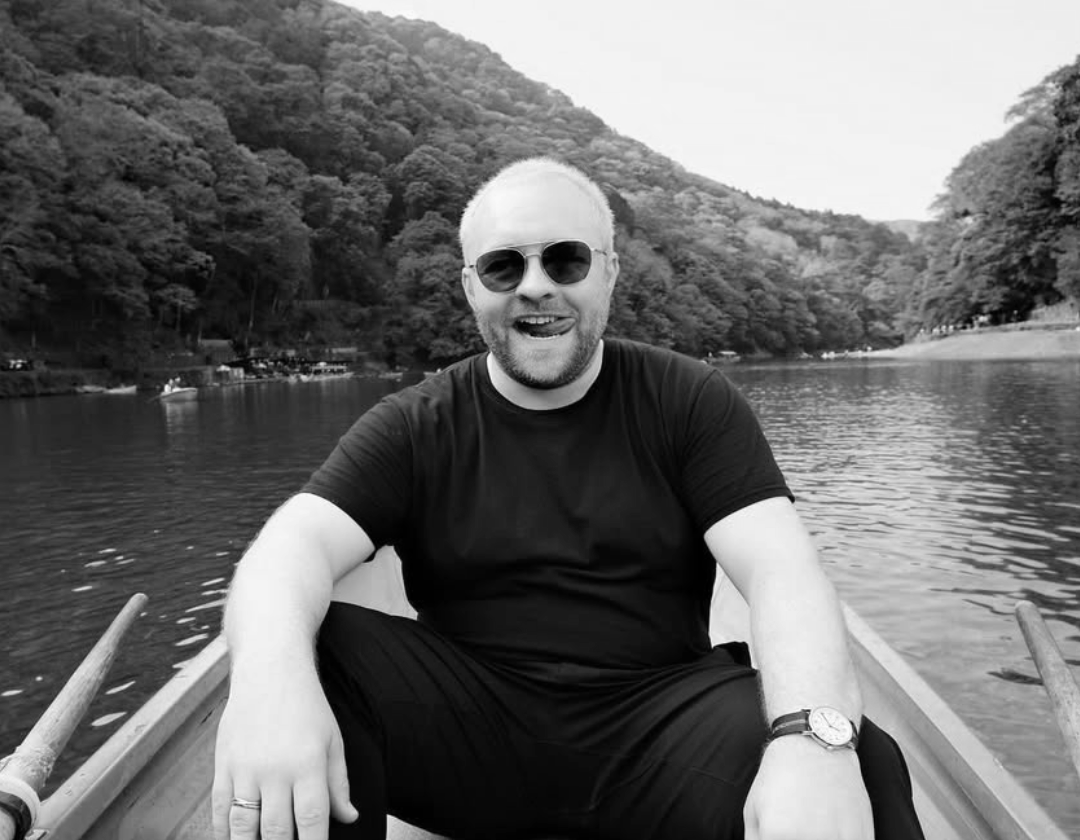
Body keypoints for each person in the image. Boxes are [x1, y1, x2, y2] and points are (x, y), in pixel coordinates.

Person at [214, 158, 925, 840]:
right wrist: (270, 688)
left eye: (566, 260)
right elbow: (291, 549)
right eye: (503, 266)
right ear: (471, 287)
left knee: (856, 759)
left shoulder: (689, 401)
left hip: (661, 734)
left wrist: (809, 740)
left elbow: (782, 573)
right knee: (306, 654)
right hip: (469, 740)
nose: (535, 287)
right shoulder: (415, 424)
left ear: (609, 272)